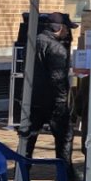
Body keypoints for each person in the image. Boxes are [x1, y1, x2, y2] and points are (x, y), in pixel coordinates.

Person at [26, 13, 74, 169]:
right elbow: (57, 78)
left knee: (28, 138)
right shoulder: (57, 48)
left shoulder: (34, 42)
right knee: (64, 137)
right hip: (53, 102)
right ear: (60, 28)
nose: (69, 33)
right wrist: (62, 102)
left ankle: (22, 171)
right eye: (67, 28)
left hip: (32, 98)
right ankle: (65, 174)